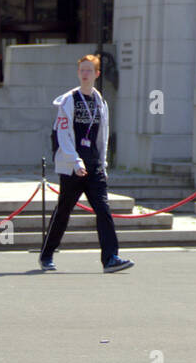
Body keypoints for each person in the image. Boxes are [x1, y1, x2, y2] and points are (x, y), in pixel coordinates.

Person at [39, 53, 133, 274]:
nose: (85, 74)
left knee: (103, 210)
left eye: (89, 70)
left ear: (97, 74)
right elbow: (63, 135)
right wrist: (75, 161)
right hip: (73, 168)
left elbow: (103, 135)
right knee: (63, 211)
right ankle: (46, 254)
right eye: (82, 70)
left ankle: (110, 258)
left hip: (94, 167)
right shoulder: (68, 101)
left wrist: (103, 163)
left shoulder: (101, 102)